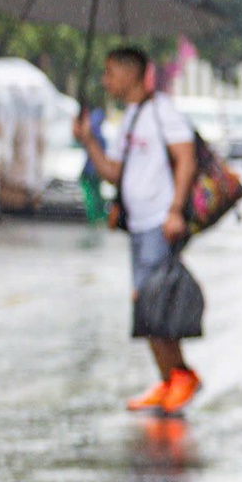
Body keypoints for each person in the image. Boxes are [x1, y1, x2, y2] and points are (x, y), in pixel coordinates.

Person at [72, 45, 203, 414]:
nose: (105, 80)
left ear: (132, 73)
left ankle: (182, 376)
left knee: (156, 304)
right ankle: (169, 380)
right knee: (145, 304)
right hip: (139, 225)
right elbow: (114, 172)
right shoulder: (129, 118)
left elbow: (186, 159)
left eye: (110, 72)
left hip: (161, 223)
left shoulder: (163, 112)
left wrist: (176, 210)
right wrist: (89, 140)